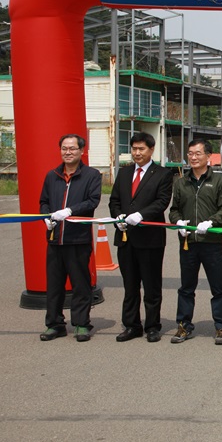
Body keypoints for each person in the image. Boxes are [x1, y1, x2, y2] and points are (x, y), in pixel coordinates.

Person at [108, 132, 174, 343]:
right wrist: (117, 215)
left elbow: (162, 202)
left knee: (151, 285)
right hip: (126, 237)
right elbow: (114, 199)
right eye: (134, 149)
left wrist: (141, 215)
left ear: (151, 150)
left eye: (141, 149)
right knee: (130, 285)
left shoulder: (162, 174)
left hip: (150, 239)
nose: (137, 153)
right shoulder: (124, 173)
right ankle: (131, 325)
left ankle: (153, 325)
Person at [168, 138, 222, 345]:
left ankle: (221, 327)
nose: (193, 157)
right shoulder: (181, 182)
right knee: (186, 287)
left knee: (218, 287)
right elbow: (173, 209)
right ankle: (183, 325)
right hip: (188, 243)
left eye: (197, 153)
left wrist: (211, 222)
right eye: (190, 153)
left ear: (208, 157)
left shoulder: (219, 181)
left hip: (211, 242)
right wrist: (178, 222)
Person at [39, 134, 102, 342]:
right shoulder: (52, 175)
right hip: (55, 239)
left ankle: (82, 324)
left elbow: (92, 201)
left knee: (80, 285)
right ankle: (55, 324)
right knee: (54, 285)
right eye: (64, 148)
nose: (68, 152)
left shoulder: (92, 175)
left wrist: (70, 211)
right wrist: (46, 218)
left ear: (81, 151)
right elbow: (44, 201)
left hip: (78, 239)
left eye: (72, 148)